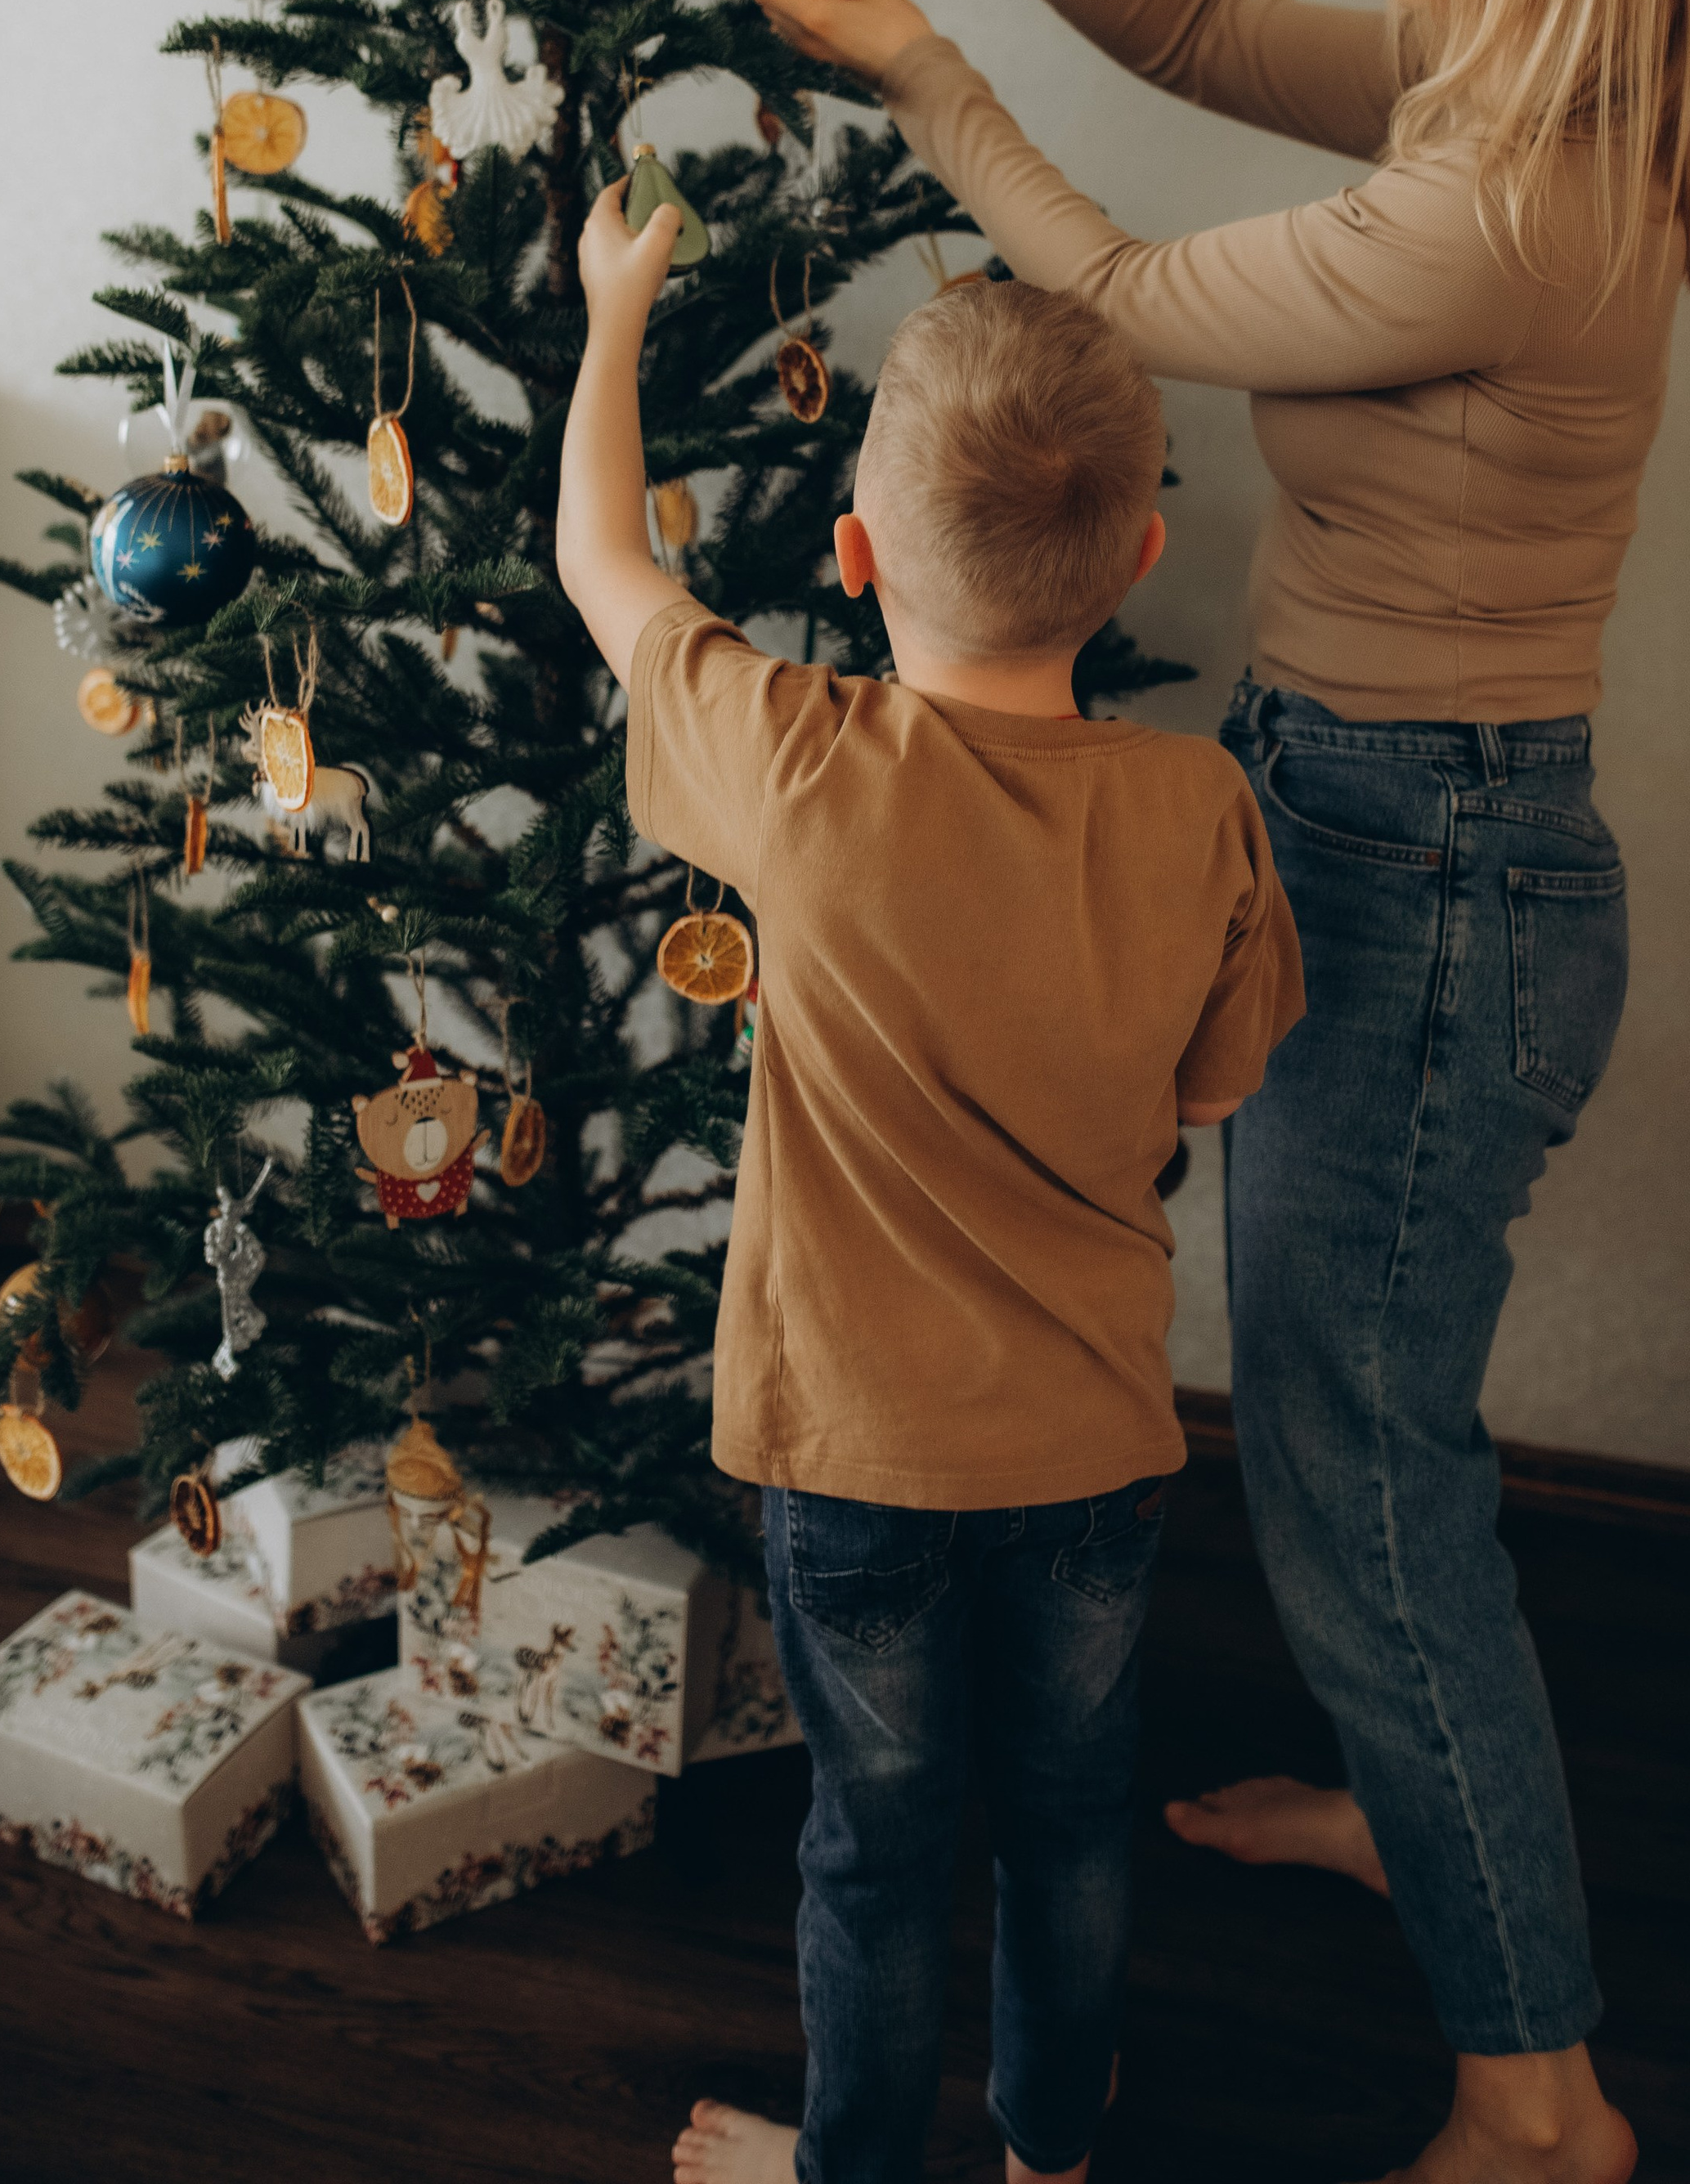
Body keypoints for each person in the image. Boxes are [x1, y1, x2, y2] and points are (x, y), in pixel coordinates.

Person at [753, 0, 1690, 2184]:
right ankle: (1398, 1791)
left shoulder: (1521, 199)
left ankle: (1538, 2094)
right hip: (1372, 818)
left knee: (1360, 1466)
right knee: (1354, 1442)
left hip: (1436, 871)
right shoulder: (1515, 92)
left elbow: (1116, 309)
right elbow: (1199, 21)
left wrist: (927, 83)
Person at [556, 214, 1304, 2184]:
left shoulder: (795, 767)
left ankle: (851, 2171)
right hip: (1091, 1449)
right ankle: (1050, 2151)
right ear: (1143, 557)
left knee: (873, 1848)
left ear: (854, 555)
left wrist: (619, 305)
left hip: (853, 1458)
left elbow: (604, 569)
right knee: (1070, 1821)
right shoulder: (1197, 809)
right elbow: (1215, 1088)